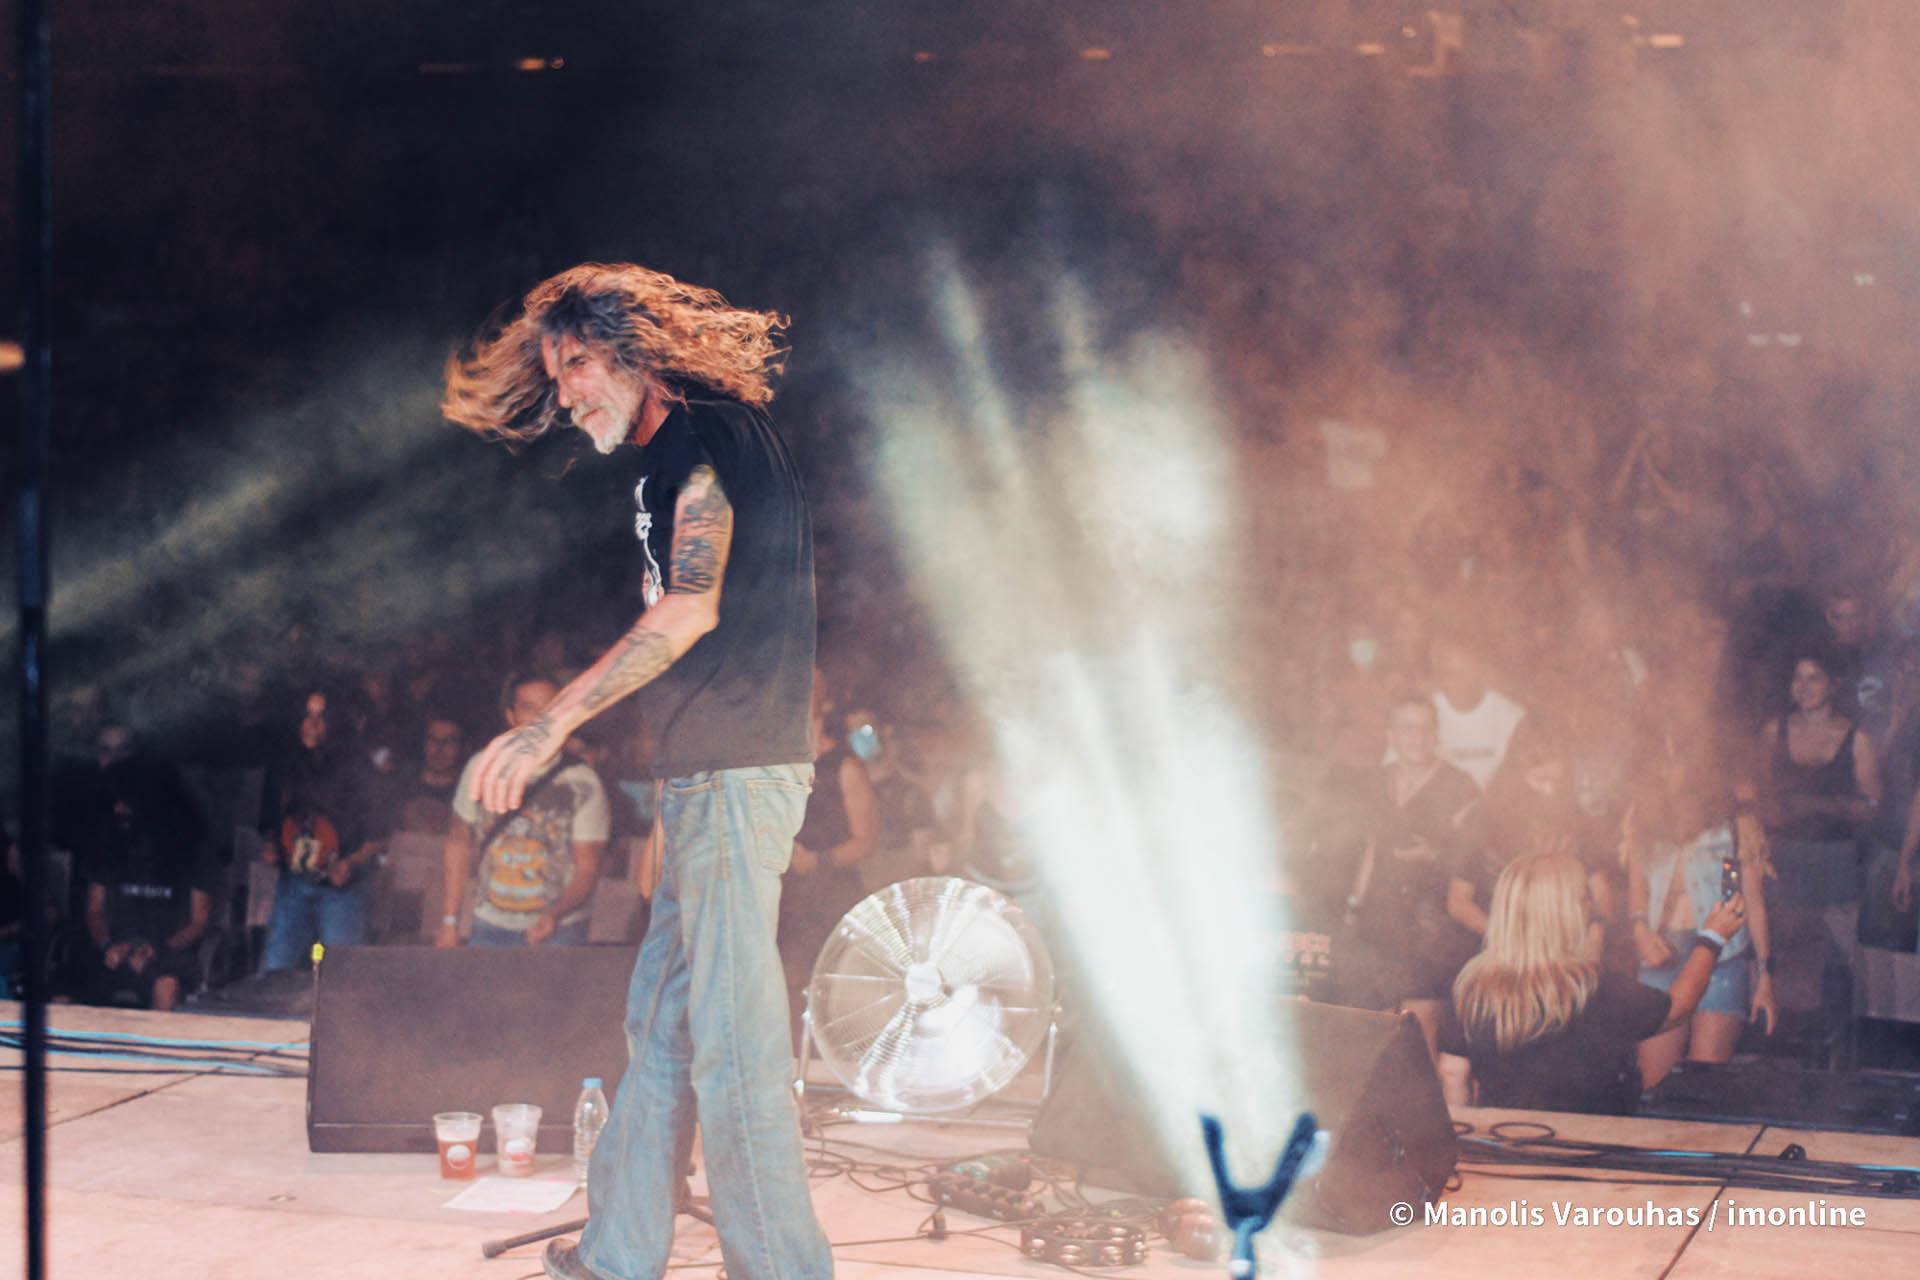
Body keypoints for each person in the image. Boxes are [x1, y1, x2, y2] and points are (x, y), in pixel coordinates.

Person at [442, 262, 829, 1280]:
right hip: (707, 776)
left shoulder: (700, 441)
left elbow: (691, 606)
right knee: (660, 1022)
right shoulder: (681, 449)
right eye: (556, 375)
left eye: (578, 364)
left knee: (732, 1045)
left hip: (736, 775)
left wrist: (548, 727)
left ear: (635, 350)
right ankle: (618, 1253)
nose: (568, 394)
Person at [1437, 854, 1744, 1115]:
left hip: (1506, 1148)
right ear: (1564, 912)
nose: (1589, 906)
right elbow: (1678, 1007)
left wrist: (1471, 1142)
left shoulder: (1470, 986)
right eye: (1583, 897)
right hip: (1591, 1151)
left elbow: (1453, 1072)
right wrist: (1712, 939)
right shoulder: (1593, 988)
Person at [1340, 692, 1482, 1053]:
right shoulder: (1375, 782)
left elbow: (1474, 864)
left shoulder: (1459, 787)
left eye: (1426, 728)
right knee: (1374, 1038)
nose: (1418, 737)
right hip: (1379, 927)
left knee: (1421, 1040)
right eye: (1407, 728)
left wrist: (1437, 856)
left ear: (1436, 733)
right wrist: (1354, 907)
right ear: (1390, 734)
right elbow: (1369, 851)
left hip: (1431, 933)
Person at [1626, 753, 1777, 1085]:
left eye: (1675, 758)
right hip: (1661, 958)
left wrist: (1764, 975)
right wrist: (1640, 931)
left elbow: (1750, 902)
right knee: (1653, 1083)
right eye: (1663, 760)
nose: (1666, 767)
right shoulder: (1644, 818)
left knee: (1704, 1083)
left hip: (1722, 959)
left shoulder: (1733, 824)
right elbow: (1638, 893)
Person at [438, 675, 608, 948]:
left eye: (549, 708)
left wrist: (554, 916)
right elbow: (458, 844)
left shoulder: (582, 781)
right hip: (489, 925)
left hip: (559, 930)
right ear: (511, 716)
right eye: (529, 708)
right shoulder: (483, 767)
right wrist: (449, 922)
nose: (540, 718)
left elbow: (587, 868)